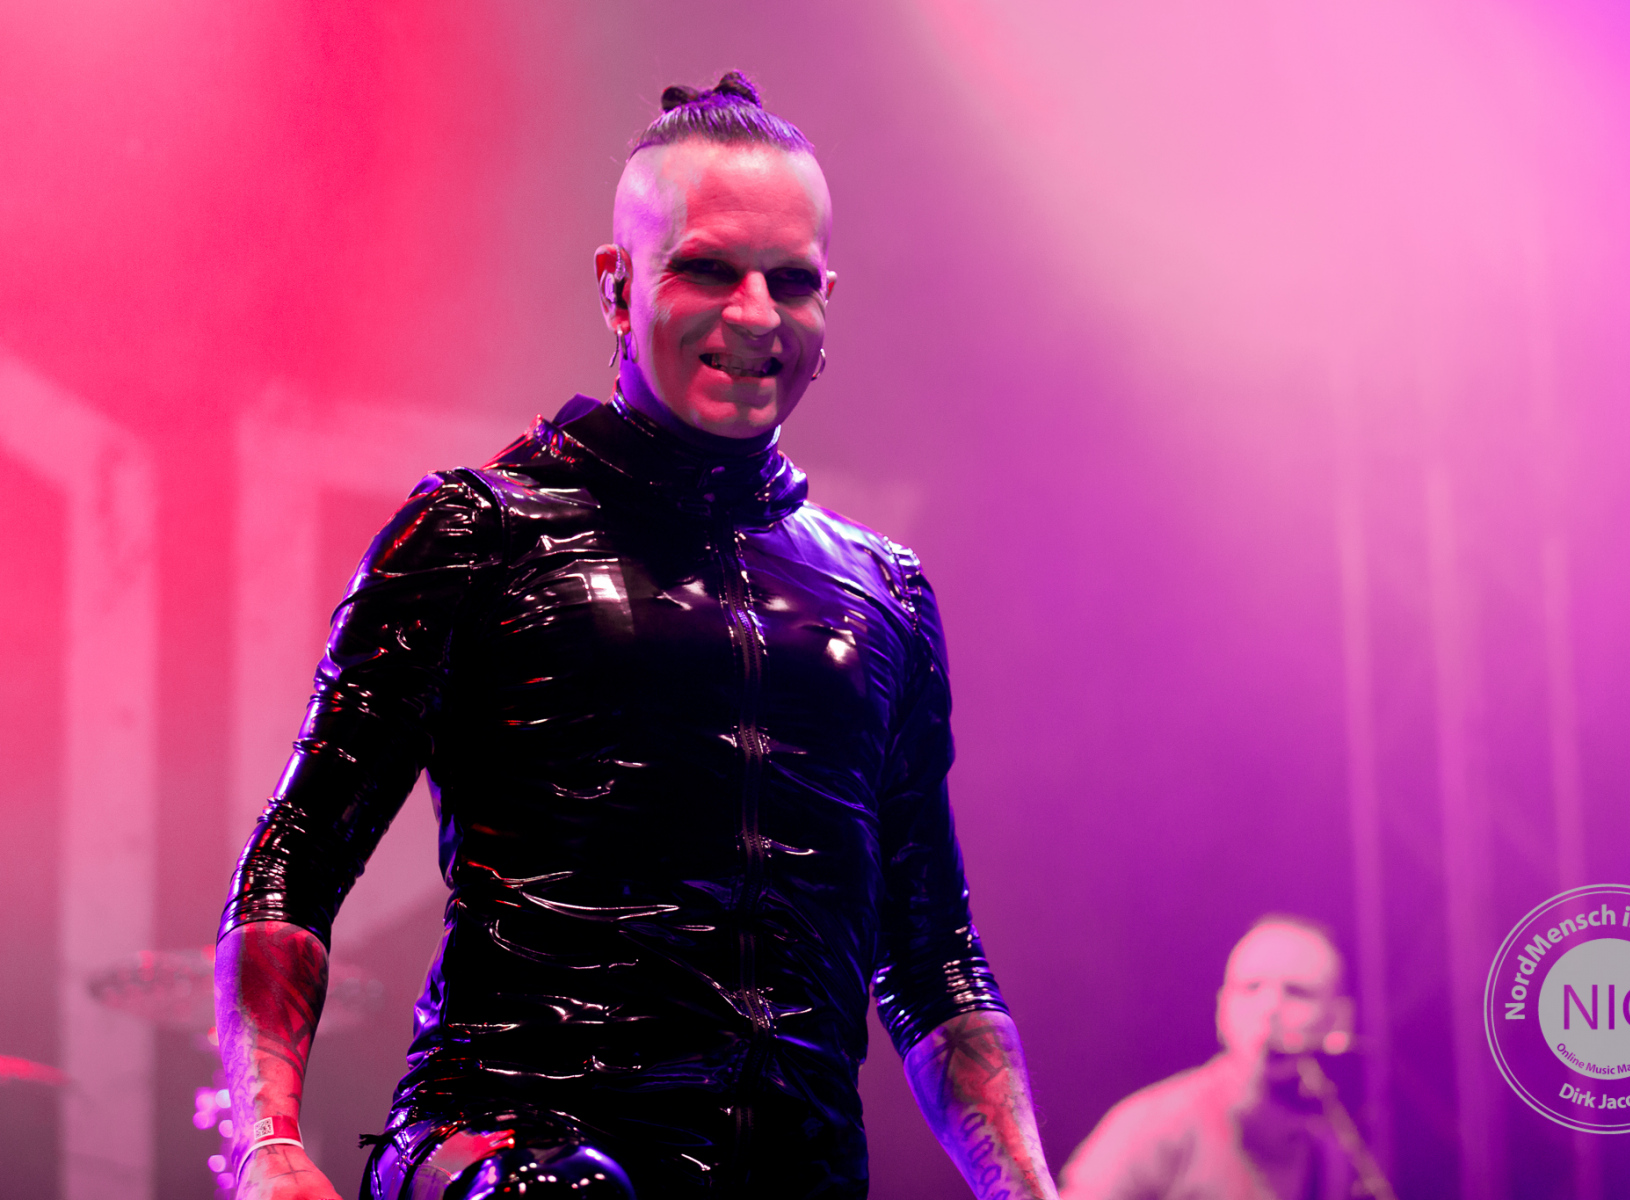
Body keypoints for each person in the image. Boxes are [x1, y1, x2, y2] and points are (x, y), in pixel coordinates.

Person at [214, 73, 1059, 1200]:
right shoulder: (480, 532)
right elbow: (297, 855)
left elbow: (935, 956)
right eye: (707, 269)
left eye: (791, 282)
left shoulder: (885, 596)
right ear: (617, 287)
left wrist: (1030, 1190)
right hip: (508, 1148)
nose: (754, 316)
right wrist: (268, 1146)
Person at [1057, 917, 1359, 1200]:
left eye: (1297, 993)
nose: (1270, 1008)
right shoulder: (1159, 1125)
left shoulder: (1338, 1147)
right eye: (1250, 987)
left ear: (1339, 1019)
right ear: (1222, 1010)